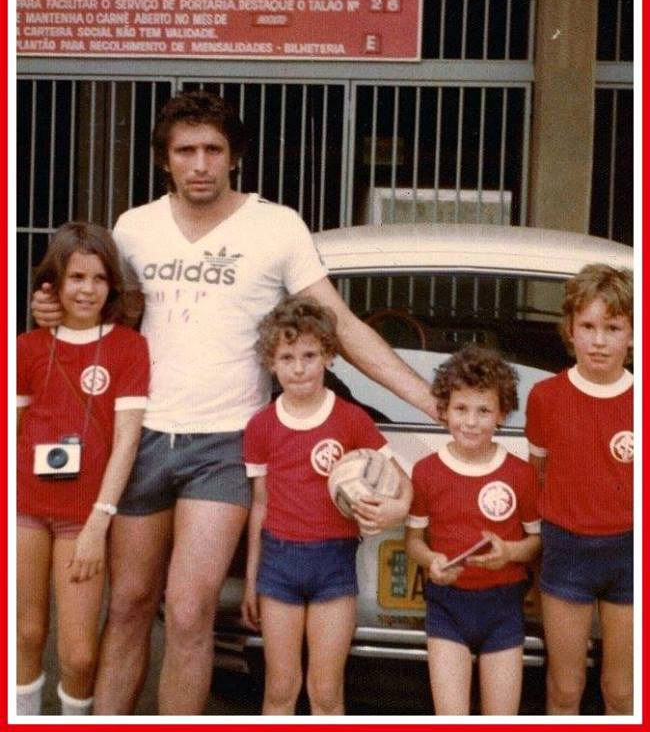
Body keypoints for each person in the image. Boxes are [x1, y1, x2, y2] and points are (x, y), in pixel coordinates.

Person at [31, 90, 439, 716]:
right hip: (141, 439)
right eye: (185, 150)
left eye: (213, 150)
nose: (200, 163)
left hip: (226, 444)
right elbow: (106, 319)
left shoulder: (276, 225)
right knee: (131, 604)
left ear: (234, 157)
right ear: (164, 160)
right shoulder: (134, 227)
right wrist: (50, 311)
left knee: (191, 611)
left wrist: (426, 396)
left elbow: (342, 325)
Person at [240, 296, 412, 715]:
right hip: (278, 567)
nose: (299, 368)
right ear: (271, 362)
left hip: (333, 567)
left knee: (326, 690)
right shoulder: (261, 425)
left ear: (329, 357)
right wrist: (251, 580)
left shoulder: (351, 419)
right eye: (287, 357)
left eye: (310, 355)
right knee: (281, 688)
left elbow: (402, 480)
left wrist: (398, 508)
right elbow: (259, 505)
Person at [16, 222, 149, 716]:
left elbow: (127, 441)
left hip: (83, 517)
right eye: (76, 277)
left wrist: (100, 520)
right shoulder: (28, 347)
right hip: (26, 508)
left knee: (78, 653)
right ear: (54, 282)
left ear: (112, 284)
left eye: (97, 278)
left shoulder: (129, 348)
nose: (86, 289)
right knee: (26, 634)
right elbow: (16, 430)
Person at [405, 344, 540, 715]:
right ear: (444, 410)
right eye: (460, 409)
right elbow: (414, 542)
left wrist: (511, 553)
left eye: (484, 411)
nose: (470, 421)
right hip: (447, 607)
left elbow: (535, 543)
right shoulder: (427, 471)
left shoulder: (521, 474)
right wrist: (432, 560)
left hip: (503, 607)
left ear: (502, 414)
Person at [525, 264, 633, 716]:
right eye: (587, 327)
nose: (599, 340)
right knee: (566, 687)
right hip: (567, 548)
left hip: (630, 552)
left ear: (632, 333)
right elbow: (538, 474)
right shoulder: (547, 396)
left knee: (623, 691)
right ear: (569, 330)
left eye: (612, 328)